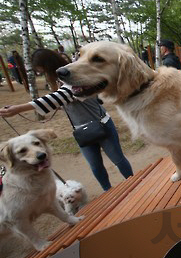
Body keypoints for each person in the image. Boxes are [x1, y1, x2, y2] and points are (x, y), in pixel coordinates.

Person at [0, 49, 133, 191]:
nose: (41, 72)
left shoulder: (75, 75)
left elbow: (62, 96)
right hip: (82, 131)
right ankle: (108, 191)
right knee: (95, 166)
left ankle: (134, 184)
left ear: (47, 65)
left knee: (118, 159)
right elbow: (66, 99)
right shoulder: (60, 81)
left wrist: (18, 108)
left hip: (101, 125)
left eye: (41, 69)